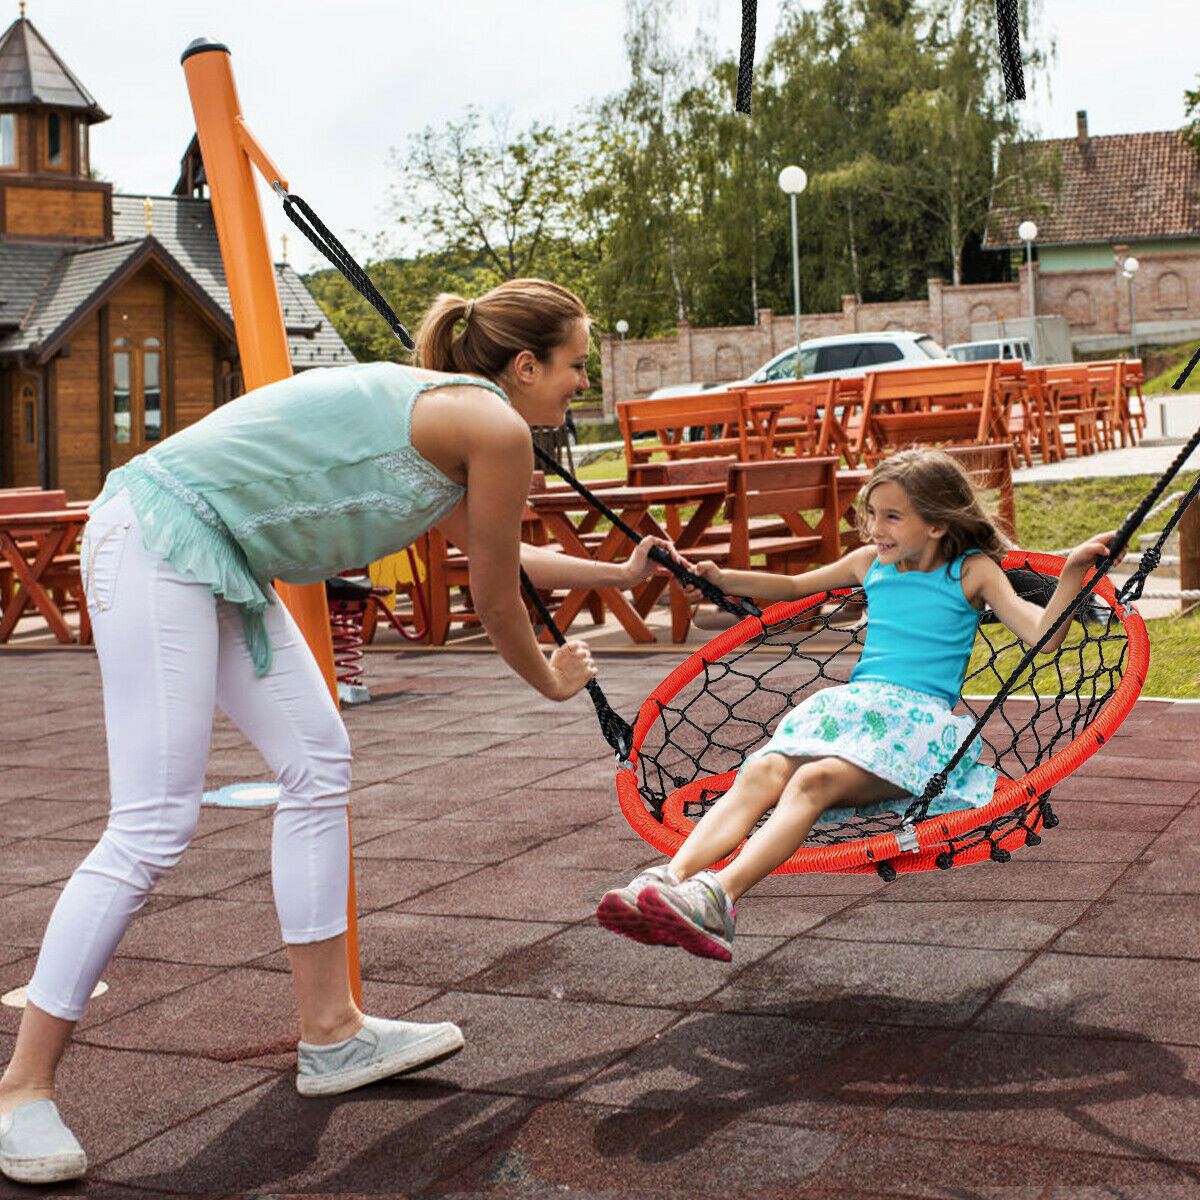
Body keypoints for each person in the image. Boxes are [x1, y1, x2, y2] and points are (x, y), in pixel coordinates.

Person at [0, 278, 682, 1185]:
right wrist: (550, 680)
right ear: (526, 366)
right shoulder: (496, 427)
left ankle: (331, 1033)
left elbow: (495, 551)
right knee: (155, 820)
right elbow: (491, 598)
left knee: (319, 763)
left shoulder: (459, 418)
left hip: (219, 553)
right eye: (575, 365)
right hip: (159, 536)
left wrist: (615, 572)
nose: (581, 384)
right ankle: (21, 1088)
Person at [597, 447, 1121, 963]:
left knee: (809, 782)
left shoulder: (972, 571)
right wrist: (719, 578)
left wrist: (1073, 571)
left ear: (938, 524)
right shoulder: (870, 563)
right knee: (763, 769)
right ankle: (672, 878)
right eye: (872, 513)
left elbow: (1041, 636)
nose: (875, 528)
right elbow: (794, 587)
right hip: (854, 715)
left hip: (914, 735)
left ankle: (719, 898)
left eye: (892, 517)